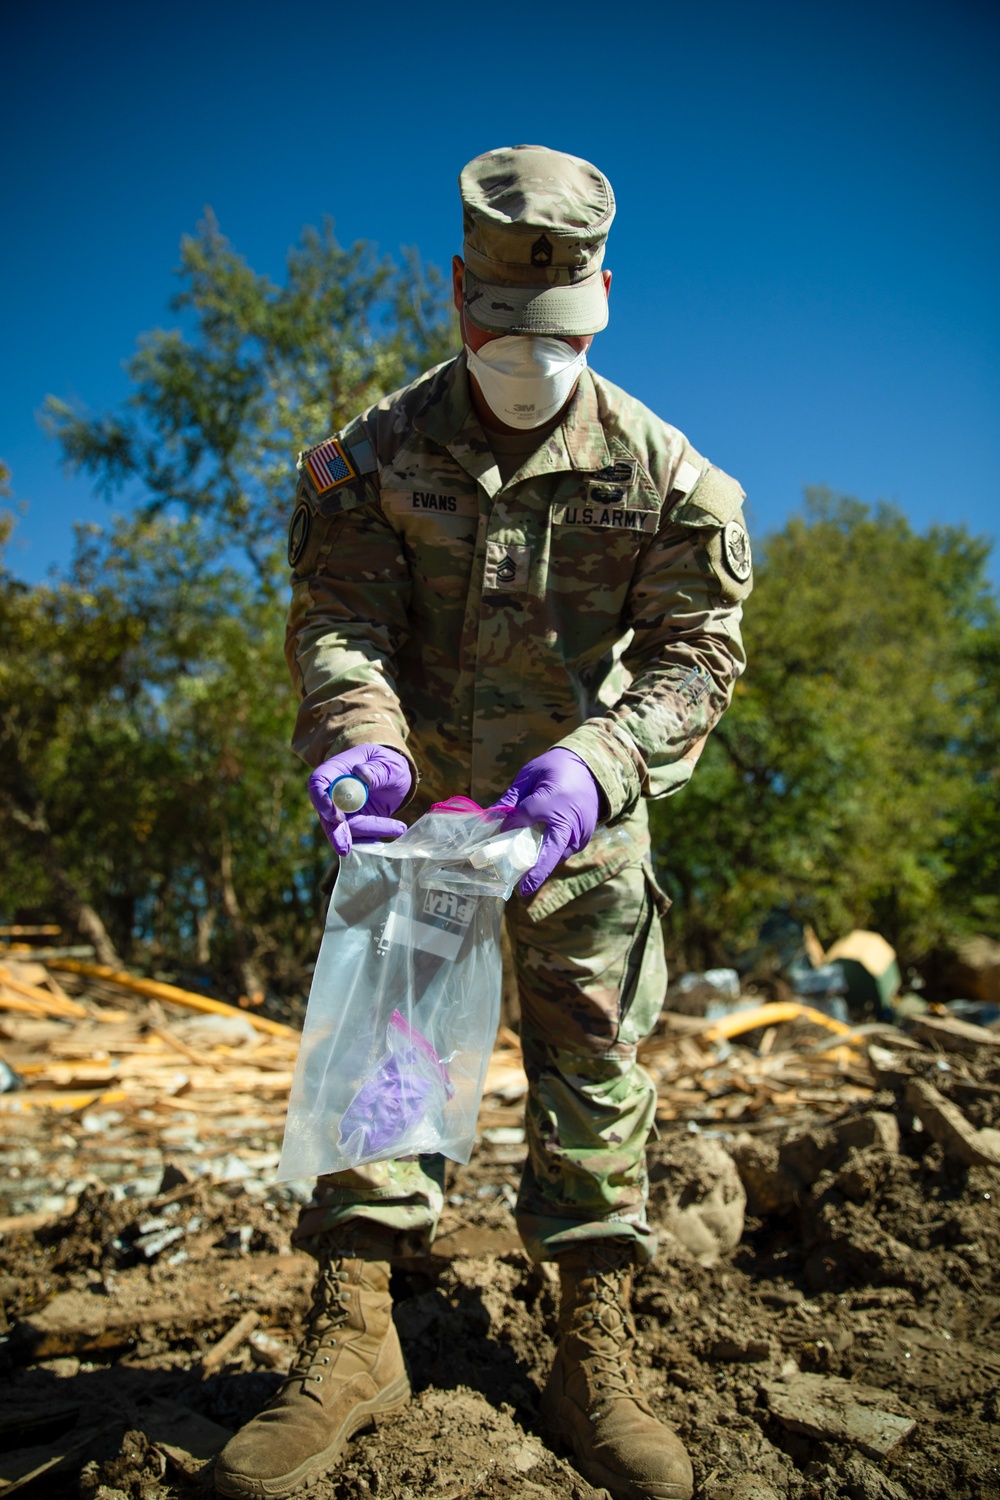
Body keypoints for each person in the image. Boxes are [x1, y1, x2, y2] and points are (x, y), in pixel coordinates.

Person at [216, 144, 752, 1500]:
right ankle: (351, 1340)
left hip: (581, 831)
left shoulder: (670, 480)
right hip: (425, 829)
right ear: (459, 298)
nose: (529, 357)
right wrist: (361, 751)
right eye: (503, 330)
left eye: (558, 334)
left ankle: (594, 1351)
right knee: (386, 1055)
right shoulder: (375, 459)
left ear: (605, 301)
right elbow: (340, 619)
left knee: (594, 1067)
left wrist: (599, 766)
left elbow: (699, 657)